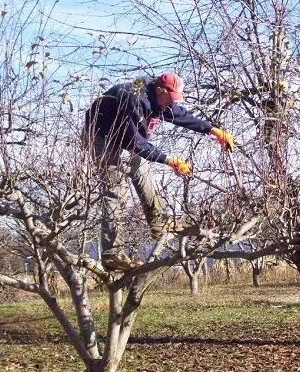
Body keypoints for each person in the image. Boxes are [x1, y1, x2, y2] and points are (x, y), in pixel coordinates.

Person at [84, 72, 234, 272]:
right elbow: (135, 142)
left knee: (143, 173)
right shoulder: (131, 98)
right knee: (116, 190)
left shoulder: (160, 99)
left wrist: (212, 130)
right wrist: (169, 160)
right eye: (169, 99)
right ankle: (112, 255)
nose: (170, 104)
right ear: (160, 90)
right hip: (100, 136)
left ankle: (158, 223)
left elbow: (180, 115)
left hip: (126, 137)